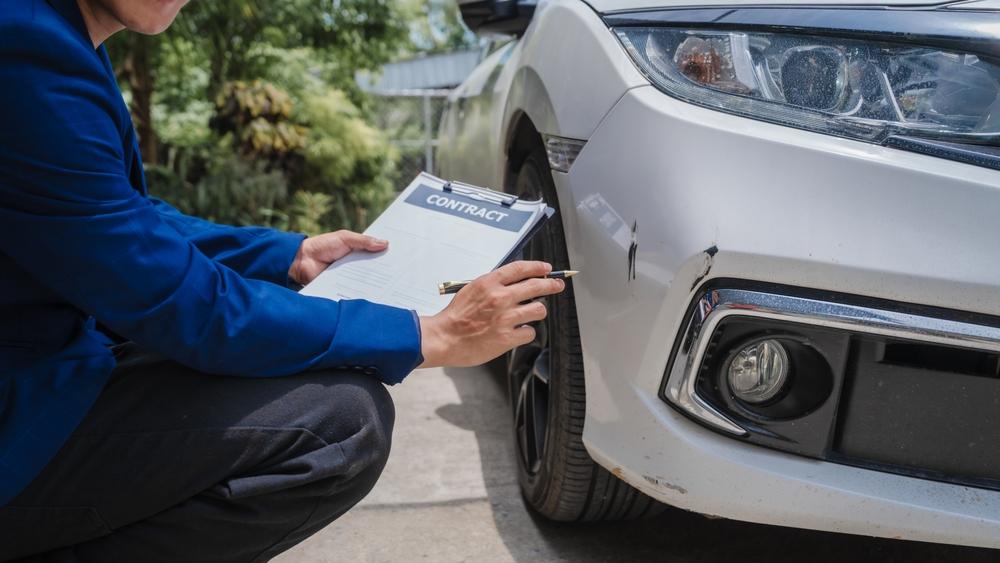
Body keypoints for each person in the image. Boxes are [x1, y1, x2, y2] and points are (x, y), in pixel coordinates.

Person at [0, 1, 565, 561]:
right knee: (337, 426)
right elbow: (182, 305)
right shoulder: (26, 48)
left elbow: (121, 219)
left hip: (50, 361)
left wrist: (288, 255)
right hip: (23, 411)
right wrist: (423, 335)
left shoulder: (58, 35)